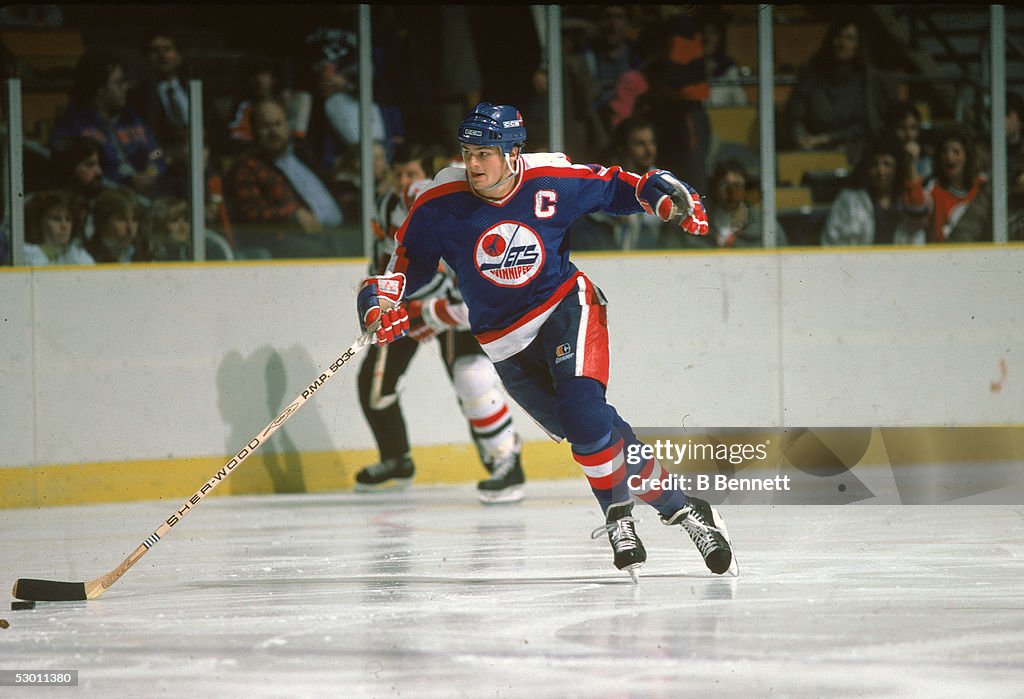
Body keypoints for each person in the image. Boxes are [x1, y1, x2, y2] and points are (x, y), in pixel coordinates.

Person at [355, 103, 734, 581]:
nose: (473, 164)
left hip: (565, 309)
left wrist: (650, 190)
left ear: (514, 153)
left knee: (583, 413)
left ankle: (618, 517)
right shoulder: (439, 201)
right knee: (596, 434)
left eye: (485, 154)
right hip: (504, 342)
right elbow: (408, 264)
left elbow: (617, 186)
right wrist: (381, 296)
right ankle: (686, 510)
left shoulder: (550, 175)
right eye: (468, 152)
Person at [354, 143, 528, 503]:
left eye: (413, 175)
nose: (406, 184)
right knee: (373, 385)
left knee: (473, 378)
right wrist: (382, 300)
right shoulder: (387, 206)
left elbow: (478, 296)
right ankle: (396, 459)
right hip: (407, 305)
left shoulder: (460, 208)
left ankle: (505, 463)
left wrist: (431, 315)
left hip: (454, 305)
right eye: (399, 175)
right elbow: (385, 263)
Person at [225, 99, 339, 258]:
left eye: (278, 124)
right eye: (266, 126)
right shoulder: (246, 167)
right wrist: (293, 213)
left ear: (288, 125)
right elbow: (250, 214)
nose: (273, 132)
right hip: (287, 240)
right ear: (253, 130)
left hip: (339, 232)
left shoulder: (303, 155)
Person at [782, 16, 899, 167]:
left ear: (858, 45)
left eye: (849, 38)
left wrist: (826, 138)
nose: (842, 44)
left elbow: (868, 125)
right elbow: (795, 117)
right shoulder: (810, 77)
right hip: (815, 152)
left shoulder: (870, 81)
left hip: (860, 153)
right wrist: (801, 138)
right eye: (838, 36)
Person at [50, 51, 166, 197]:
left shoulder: (133, 120)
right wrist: (127, 181)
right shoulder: (74, 125)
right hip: (102, 198)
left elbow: (157, 153)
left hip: (143, 196)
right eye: (119, 82)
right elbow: (74, 171)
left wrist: (151, 171)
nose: (126, 87)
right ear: (100, 89)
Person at [821, 137, 926, 246]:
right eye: (874, 164)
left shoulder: (906, 198)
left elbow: (917, 225)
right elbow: (831, 241)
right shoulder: (849, 200)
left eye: (887, 164)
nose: (881, 171)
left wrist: (911, 165)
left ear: (897, 168)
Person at [909, 127, 992, 243]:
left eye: (956, 152)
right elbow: (915, 215)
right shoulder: (932, 189)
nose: (949, 157)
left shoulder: (982, 186)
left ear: (967, 156)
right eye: (944, 152)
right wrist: (912, 164)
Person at [692, 158, 787, 248]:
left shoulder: (766, 225)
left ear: (746, 189)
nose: (731, 192)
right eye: (725, 185)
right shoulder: (697, 224)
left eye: (737, 185)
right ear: (715, 188)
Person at [23, 189, 95, 266]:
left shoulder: (79, 255)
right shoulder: (25, 255)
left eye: (68, 219)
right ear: (39, 222)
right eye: (56, 219)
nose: (64, 225)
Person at [84, 187, 151, 263]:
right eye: (122, 219)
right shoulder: (85, 257)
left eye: (135, 219)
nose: (130, 228)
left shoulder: (140, 255)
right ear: (102, 221)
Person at [885, 101, 933, 182]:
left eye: (913, 128)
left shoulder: (925, 161)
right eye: (902, 127)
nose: (909, 134)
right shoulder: (883, 159)